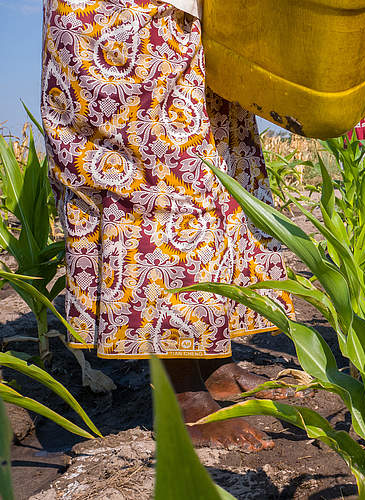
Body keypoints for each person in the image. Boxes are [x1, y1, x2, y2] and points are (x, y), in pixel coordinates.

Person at [42, 0, 294, 451]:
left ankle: (212, 364)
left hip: (186, 15)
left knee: (214, 165)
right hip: (126, 17)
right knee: (160, 177)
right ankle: (182, 393)